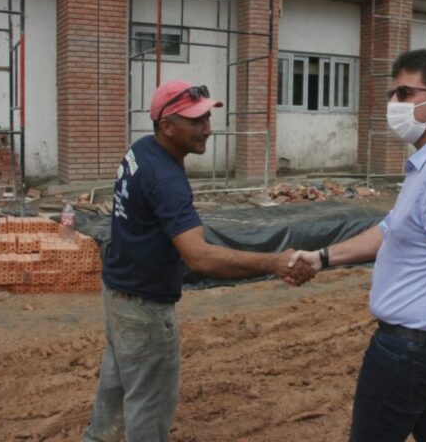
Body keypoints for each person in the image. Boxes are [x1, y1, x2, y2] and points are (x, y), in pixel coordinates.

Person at [289, 49, 426, 441]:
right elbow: (391, 231)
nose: (393, 105)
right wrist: (322, 258)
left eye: (405, 93)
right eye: (393, 94)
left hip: (411, 352)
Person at [83, 80, 314, 442]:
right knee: (149, 409)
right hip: (144, 309)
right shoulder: (166, 178)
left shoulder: (141, 151)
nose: (207, 128)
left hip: (118, 293)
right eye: (194, 121)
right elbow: (199, 256)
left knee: (114, 395)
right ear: (166, 125)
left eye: (207, 117)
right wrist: (274, 262)